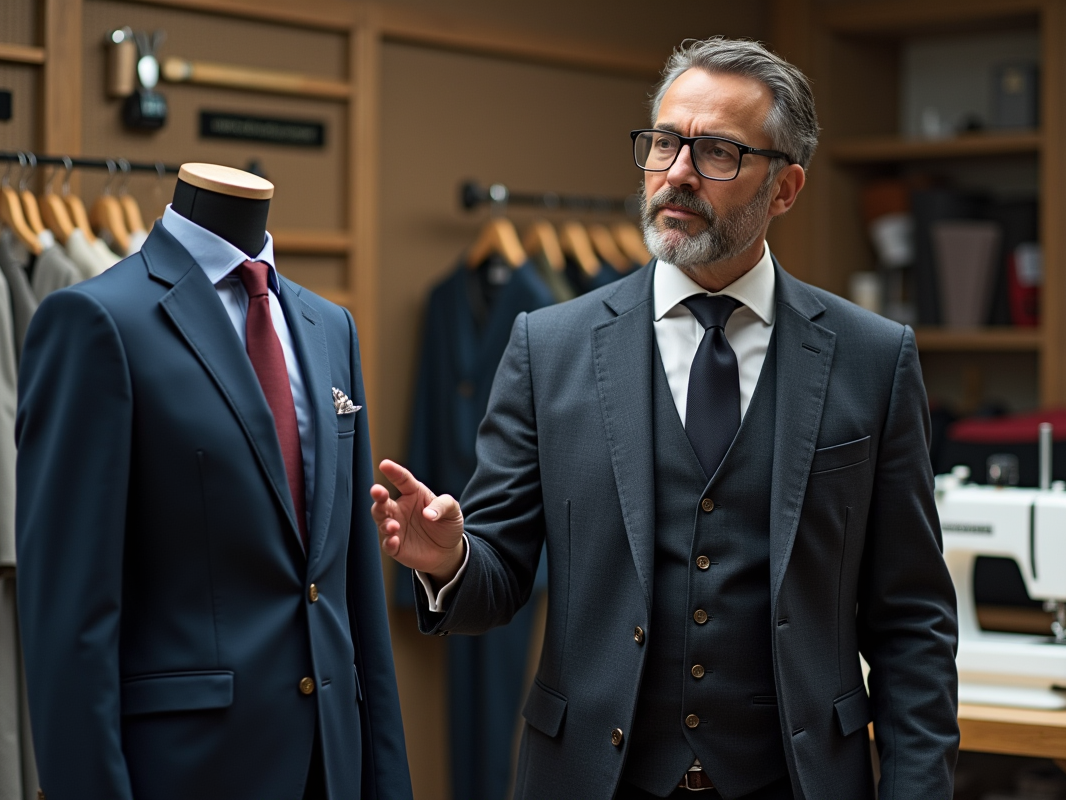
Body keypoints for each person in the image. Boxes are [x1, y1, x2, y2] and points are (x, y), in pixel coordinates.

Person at [373, 37, 958, 800]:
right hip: (592, 778)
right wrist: (450, 561)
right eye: (664, 143)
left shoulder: (872, 358)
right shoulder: (547, 346)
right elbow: (501, 578)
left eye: (717, 151)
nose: (678, 172)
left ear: (784, 189)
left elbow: (911, 619)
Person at [16, 165, 412, 800]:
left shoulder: (330, 327)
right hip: (188, 769)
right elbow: (69, 625)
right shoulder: (97, 321)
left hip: (332, 766)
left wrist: (387, 781)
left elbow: (351, 588)